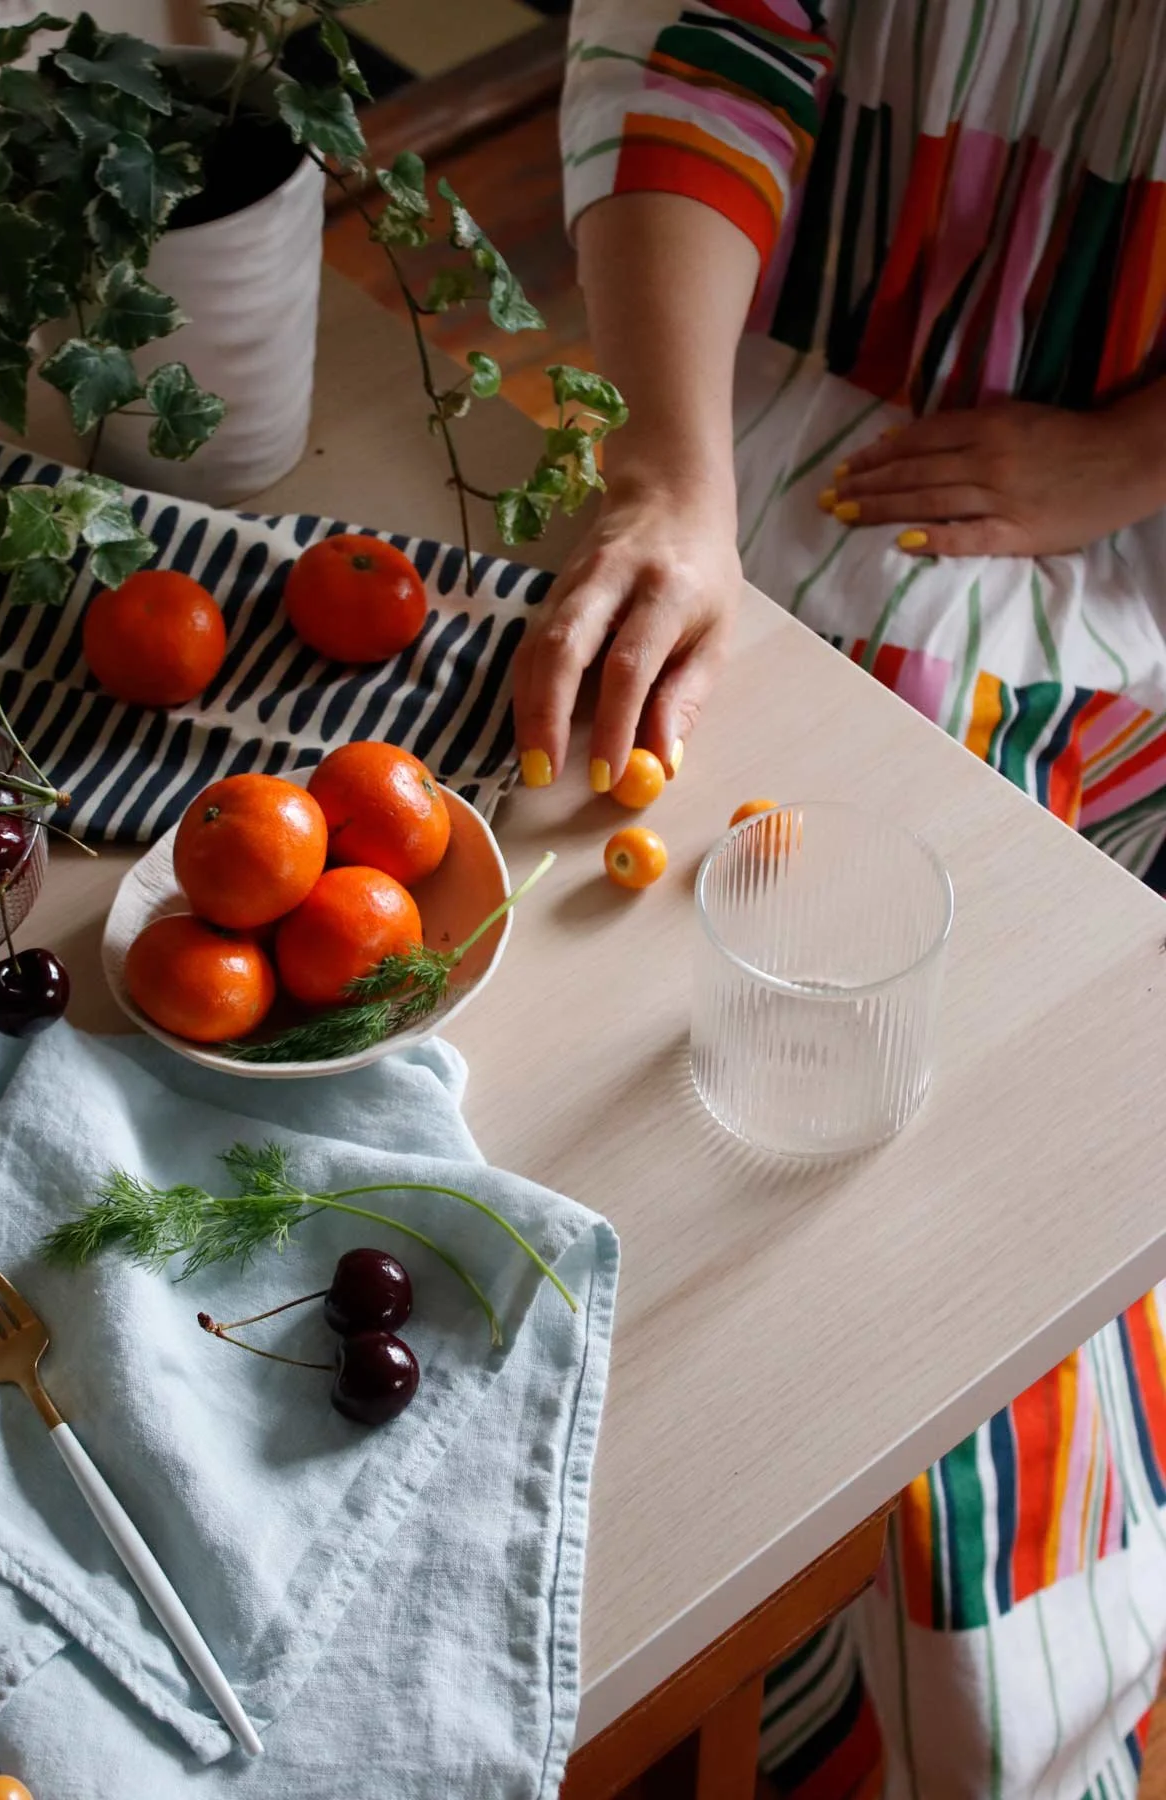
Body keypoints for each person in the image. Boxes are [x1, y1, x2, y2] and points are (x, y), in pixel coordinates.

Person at [513, 3, 1166, 1795]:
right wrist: (668, 463)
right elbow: (707, 38)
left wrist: (1132, 456)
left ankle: (943, 1719)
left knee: (936, 1250)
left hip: (1107, 519)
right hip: (741, 375)